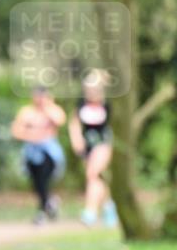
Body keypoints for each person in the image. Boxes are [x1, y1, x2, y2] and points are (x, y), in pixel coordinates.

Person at [68, 70, 118, 227]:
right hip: (87, 145)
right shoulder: (82, 104)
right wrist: (76, 140)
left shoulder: (108, 104)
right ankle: (109, 207)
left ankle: (90, 212)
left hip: (103, 143)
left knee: (93, 174)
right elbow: (74, 122)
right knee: (99, 178)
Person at [11, 87, 66, 224]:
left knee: (43, 180)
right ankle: (50, 203)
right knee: (36, 183)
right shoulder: (27, 112)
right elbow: (16, 131)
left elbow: (60, 121)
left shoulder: (53, 110)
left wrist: (46, 107)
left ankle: (41, 212)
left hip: (49, 152)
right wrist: (32, 135)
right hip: (31, 152)